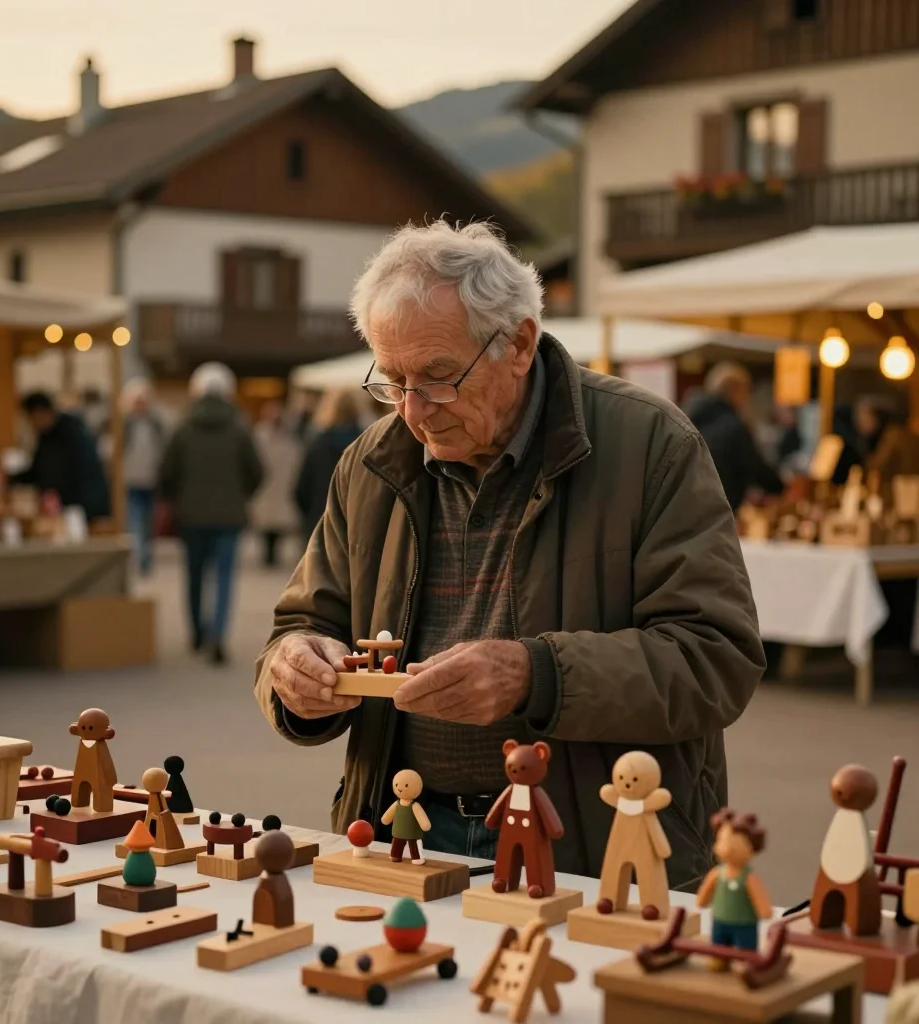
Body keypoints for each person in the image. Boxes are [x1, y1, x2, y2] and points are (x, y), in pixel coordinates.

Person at [253, 221, 764, 891]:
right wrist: (292, 673)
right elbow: (298, 625)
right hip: (403, 830)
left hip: (592, 843)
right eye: (394, 380)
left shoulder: (650, 445)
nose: (413, 411)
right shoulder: (370, 463)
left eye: (438, 378)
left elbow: (715, 659)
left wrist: (535, 674)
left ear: (519, 343)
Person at [159, 362, 263, 664]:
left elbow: (166, 472)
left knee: (194, 576)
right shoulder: (239, 427)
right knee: (224, 578)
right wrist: (240, 495)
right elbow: (256, 471)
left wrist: (176, 498)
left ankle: (197, 631)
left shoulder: (183, 427)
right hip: (229, 516)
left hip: (191, 515)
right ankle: (218, 634)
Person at [683, 363, 783, 510]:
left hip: (691, 503)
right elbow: (755, 467)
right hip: (720, 506)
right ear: (735, 391)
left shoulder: (689, 418)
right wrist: (780, 486)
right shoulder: (733, 426)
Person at [16, 391, 111, 522]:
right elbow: (38, 471)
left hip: (84, 508)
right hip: (66, 507)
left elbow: (68, 473)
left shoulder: (72, 433)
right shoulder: (46, 437)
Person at [293, 389, 362, 545]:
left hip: (320, 521)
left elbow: (301, 488)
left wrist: (310, 516)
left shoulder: (317, 444)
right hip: (358, 525)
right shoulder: (367, 445)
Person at [249, 400, 303, 567]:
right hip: (266, 486)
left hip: (281, 486)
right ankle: (267, 554)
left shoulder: (290, 436)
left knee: (278, 524)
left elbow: (296, 459)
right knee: (266, 524)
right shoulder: (259, 434)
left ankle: (273, 554)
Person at [121, 378, 167, 576]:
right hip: (131, 480)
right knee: (135, 521)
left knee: (148, 523)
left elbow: (162, 450)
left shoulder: (155, 424)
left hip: (151, 480)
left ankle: (146, 558)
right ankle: (139, 558)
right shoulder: (125, 425)